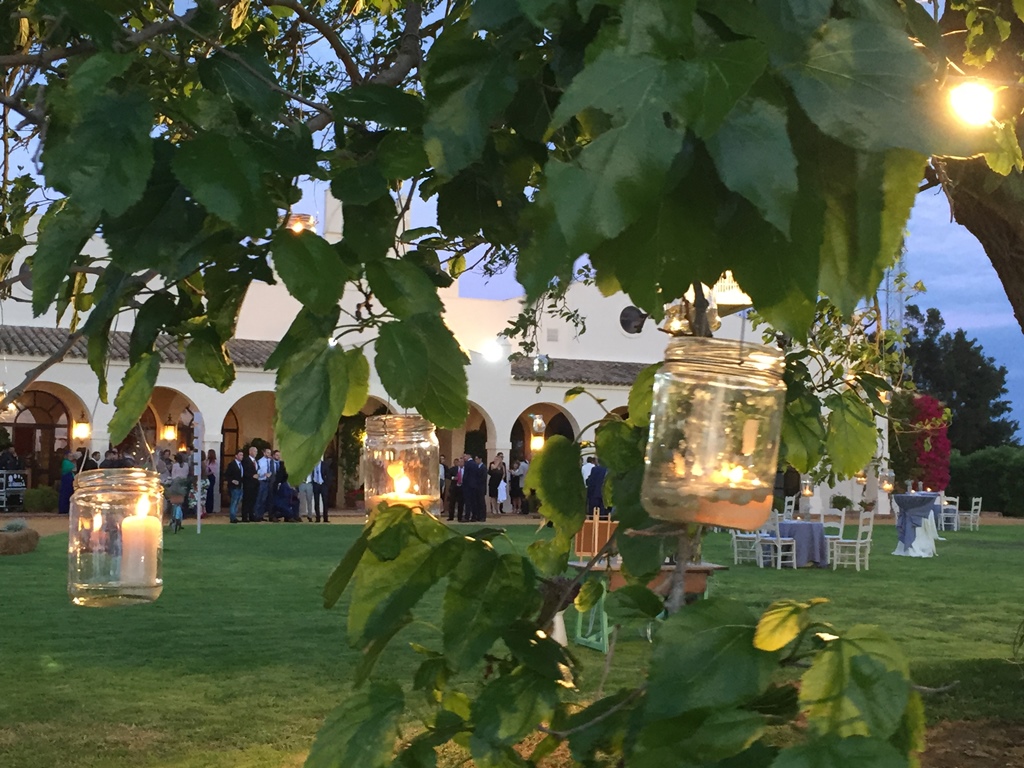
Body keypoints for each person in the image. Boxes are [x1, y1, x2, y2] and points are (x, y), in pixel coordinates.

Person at [224, 450, 244, 523]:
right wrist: (232, 480)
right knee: (234, 501)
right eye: (240, 455)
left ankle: (234, 515)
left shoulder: (241, 464)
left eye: (242, 455)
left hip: (240, 485)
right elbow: (226, 474)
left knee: (238, 501)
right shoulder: (232, 464)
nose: (242, 456)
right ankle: (232, 517)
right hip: (234, 486)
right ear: (236, 456)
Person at [241, 445, 260, 522]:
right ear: (250, 452)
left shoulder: (256, 461)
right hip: (248, 483)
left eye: (256, 452)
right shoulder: (246, 460)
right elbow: (244, 472)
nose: (256, 453)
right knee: (247, 500)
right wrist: (252, 475)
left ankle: (252, 515)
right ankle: (245, 517)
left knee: (253, 500)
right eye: (255, 451)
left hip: (255, 483)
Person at [254, 447, 273, 522]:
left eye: (270, 453)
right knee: (259, 499)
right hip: (261, 481)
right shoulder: (260, 461)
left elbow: (272, 470)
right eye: (267, 452)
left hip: (268, 482)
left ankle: (261, 515)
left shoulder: (270, 461)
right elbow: (258, 471)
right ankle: (256, 515)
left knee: (264, 499)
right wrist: (264, 474)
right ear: (264, 453)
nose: (269, 454)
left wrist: (270, 474)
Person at [268, 449, 287, 521]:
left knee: (278, 500)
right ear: (273, 456)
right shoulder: (270, 463)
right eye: (277, 455)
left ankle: (277, 515)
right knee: (271, 500)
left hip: (280, 485)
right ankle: (271, 516)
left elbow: (285, 474)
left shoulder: (282, 464)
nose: (278, 457)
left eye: (279, 455)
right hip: (272, 484)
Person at [58, 450, 77, 514]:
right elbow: (69, 469)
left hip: (69, 479)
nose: (71, 457)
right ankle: (63, 509)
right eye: (70, 456)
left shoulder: (68, 462)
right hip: (66, 480)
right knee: (65, 494)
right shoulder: (65, 462)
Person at [447, 456, 464, 522]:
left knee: (461, 503)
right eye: (459, 462)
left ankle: (460, 517)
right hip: (454, 488)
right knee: (452, 503)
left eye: (462, 462)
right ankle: (451, 517)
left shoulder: (465, 469)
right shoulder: (453, 469)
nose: (460, 463)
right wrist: (453, 478)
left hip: (462, 488)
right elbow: (447, 475)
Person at [204, 449, 218, 516]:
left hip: (211, 477)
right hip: (207, 476)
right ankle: (206, 507)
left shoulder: (214, 462)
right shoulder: (207, 461)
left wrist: (207, 473)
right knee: (206, 492)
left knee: (210, 492)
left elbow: (213, 471)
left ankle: (210, 508)